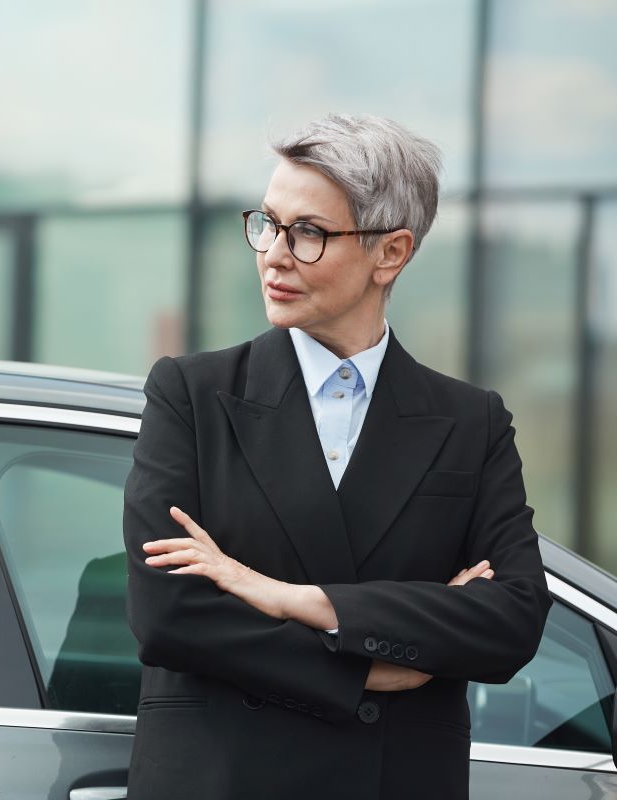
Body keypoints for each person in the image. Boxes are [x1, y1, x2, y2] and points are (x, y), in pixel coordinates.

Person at [122, 114, 552, 800]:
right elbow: (170, 615)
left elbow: (512, 618)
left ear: (391, 253)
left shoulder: (470, 422)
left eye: (309, 233)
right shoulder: (192, 395)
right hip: (224, 781)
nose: (274, 254)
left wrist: (288, 598)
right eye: (267, 223)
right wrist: (368, 667)